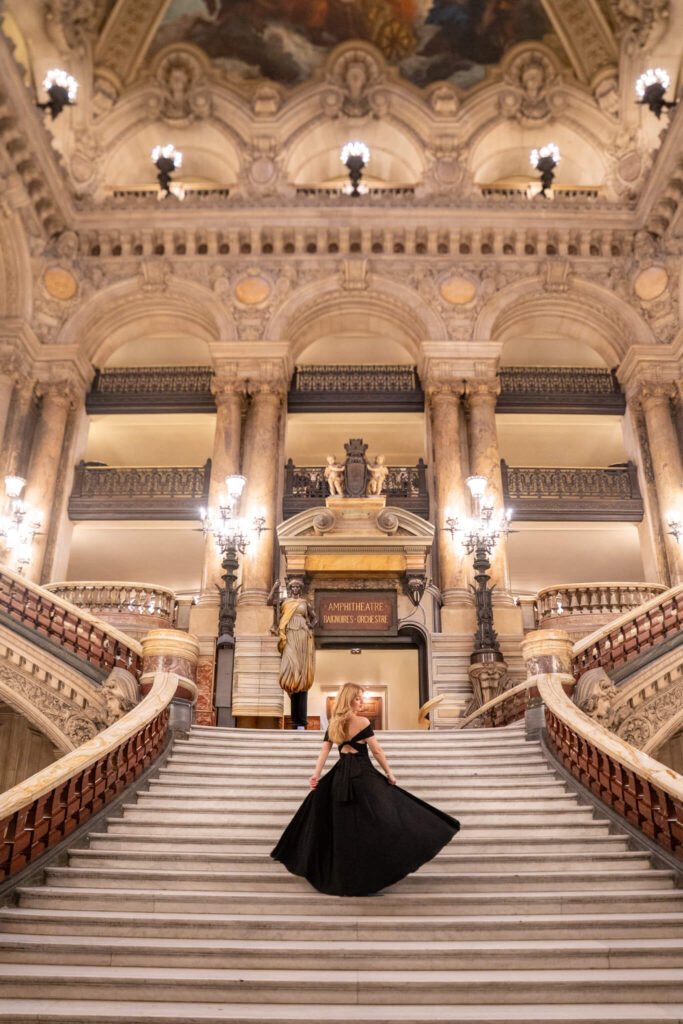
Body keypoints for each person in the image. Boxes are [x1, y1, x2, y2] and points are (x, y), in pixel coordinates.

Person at [271, 683, 460, 896]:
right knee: (382, 820)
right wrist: (389, 773)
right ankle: (370, 873)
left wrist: (316, 774)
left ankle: (343, 876)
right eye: (359, 698)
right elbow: (376, 751)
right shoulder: (362, 722)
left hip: (339, 777)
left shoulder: (335, 722)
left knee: (342, 828)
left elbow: (324, 750)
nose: (362, 702)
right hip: (363, 776)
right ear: (350, 699)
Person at [277, 579, 317, 729]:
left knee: (301, 673)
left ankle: (300, 721)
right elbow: (269, 602)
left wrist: (311, 625)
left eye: (297, 586)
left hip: (302, 634)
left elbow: (314, 617)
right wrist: (275, 587)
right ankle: (296, 720)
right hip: (289, 635)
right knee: (291, 669)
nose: (295, 588)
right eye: (292, 586)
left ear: (300, 589)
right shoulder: (284, 601)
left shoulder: (304, 603)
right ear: (289, 588)